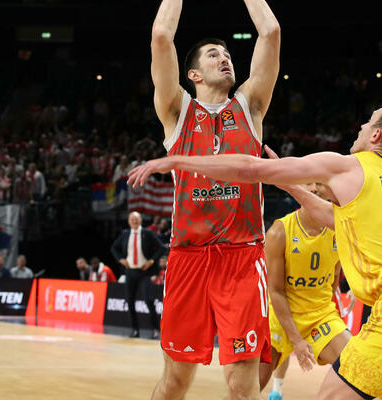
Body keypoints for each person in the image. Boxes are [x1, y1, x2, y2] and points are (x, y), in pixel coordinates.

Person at [129, 102, 382, 399]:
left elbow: (247, 168)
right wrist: (294, 188)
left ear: (376, 135)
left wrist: (177, 160)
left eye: (366, 123)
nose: (359, 128)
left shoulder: (347, 165)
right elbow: (336, 218)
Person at [146, 0, 280, 397]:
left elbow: (270, 33)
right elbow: (160, 35)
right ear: (193, 74)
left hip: (241, 258)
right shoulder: (176, 110)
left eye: (227, 54)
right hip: (188, 257)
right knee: (175, 381)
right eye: (213, 54)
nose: (224, 59)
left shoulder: (250, 105)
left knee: (242, 385)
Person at [259, 182, 351, 394]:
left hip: (319, 316)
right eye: (308, 183)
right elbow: (275, 292)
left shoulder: (340, 228)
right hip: (279, 315)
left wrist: (351, 292)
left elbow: (336, 274)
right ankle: (277, 389)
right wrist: (297, 340)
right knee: (250, 386)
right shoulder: (278, 232)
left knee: (357, 366)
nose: (314, 188)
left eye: (320, 183)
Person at [111, 212, 165, 339]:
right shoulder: (125, 234)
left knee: (148, 300)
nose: (134, 221)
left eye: (136, 219)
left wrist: (151, 261)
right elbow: (114, 248)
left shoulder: (148, 233)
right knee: (130, 301)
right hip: (130, 272)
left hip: (144, 272)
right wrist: (120, 259)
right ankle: (135, 330)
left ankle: (156, 330)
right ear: (129, 221)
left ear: (140, 220)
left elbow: (161, 248)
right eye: (132, 219)